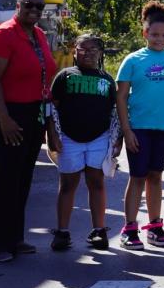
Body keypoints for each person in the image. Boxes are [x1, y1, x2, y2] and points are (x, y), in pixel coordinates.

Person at [0, 0, 56, 263]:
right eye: (28, 5)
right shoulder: (3, 35)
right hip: (4, 112)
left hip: (31, 112)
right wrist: (5, 120)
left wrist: (46, 121)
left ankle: (14, 238)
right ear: (18, 6)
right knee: (6, 177)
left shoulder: (39, 35)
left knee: (22, 177)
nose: (34, 10)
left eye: (39, 6)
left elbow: (45, 76)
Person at [115, 0, 164, 249]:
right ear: (144, 32)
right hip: (138, 129)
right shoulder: (133, 60)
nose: (159, 38)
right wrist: (126, 130)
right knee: (137, 177)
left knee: (155, 176)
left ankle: (155, 227)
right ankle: (130, 228)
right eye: (154, 34)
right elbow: (121, 97)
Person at [47, 34, 115, 252]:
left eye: (94, 49)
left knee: (96, 182)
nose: (88, 53)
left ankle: (99, 231)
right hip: (68, 138)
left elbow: (116, 112)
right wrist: (52, 135)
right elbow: (51, 107)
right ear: (74, 51)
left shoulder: (107, 79)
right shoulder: (65, 76)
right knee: (68, 184)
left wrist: (118, 139)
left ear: (101, 53)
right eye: (83, 49)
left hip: (99, 137)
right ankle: (62, 232)